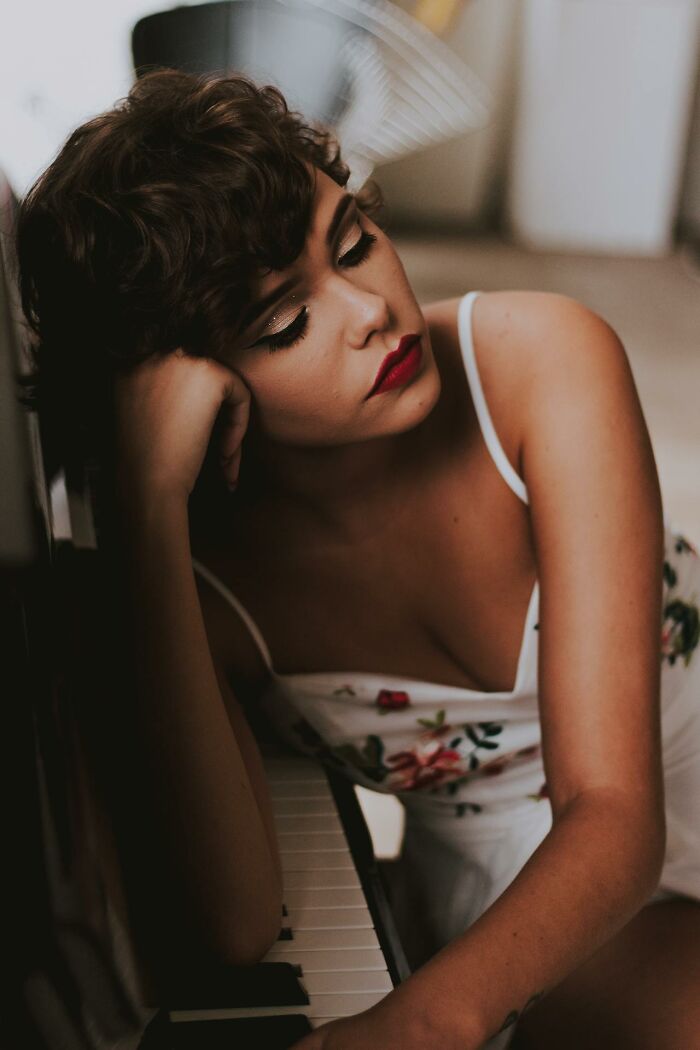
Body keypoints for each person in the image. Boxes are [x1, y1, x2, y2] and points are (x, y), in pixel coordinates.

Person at [14, 68, 700, 1050]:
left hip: (629, 809)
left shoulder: (540, 360)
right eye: (286, 323)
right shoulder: (210, 593)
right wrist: (149, 509)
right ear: (194, 387)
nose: (367, 310)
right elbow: (238, 922)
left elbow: (614, 810)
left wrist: (423, 1020)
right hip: (522, 883)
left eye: (353, 242)